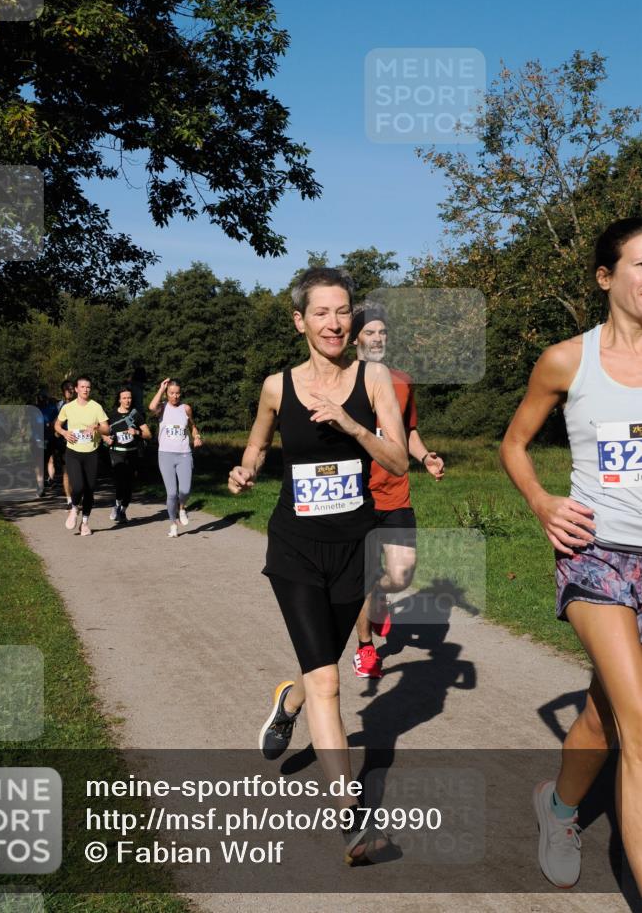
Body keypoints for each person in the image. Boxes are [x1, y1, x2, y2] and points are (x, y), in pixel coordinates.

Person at [228, 267, 408, 864]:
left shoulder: (373, 377)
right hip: (296, 549)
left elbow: (399, 461)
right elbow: (258, 443)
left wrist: (352, 424)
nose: (335, 323)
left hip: (354, 545)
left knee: (319, 665)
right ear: (299, 321)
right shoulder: (277, 386)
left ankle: (289, 702)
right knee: (328, 679)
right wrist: (246, 469)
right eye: (322, 313)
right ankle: (351, 821)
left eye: (343, 311)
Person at [500, 217, 642, 892]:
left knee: (604, 714)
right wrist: (541, 502)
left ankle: (557, 807)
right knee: (640, 726)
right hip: (597, 556)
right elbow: (513, 445)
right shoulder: (566, 360)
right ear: (605, 277)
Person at [349, 306, 445, 678]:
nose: (377, 339)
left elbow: (408, 432)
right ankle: (365, 648)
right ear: (355, 338)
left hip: (394, 493)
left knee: (402, 573)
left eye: (382, 332)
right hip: (355, 496)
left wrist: (425, 457)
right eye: (369, 332)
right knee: (362, 576)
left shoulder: (401, 382)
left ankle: (380, 597)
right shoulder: (342, 381)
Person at [54, 376, 110, 536]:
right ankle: (74, 508)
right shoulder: (68, 407)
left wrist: (97, 427)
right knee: (78, 486)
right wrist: (64, 432)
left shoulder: (96, 407)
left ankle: (84, 523)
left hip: (91, 453)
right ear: (76, 389)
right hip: (73, 452)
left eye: (88, 387)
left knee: (90, 489)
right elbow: (57, 425)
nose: (86, 389)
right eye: (83, 387)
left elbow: (107, 429)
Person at [149, 377, 203, 537]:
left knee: (185, 489)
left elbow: (192, 426)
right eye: (171, 393)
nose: (175, 396)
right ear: (167, 393)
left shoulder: (186, 408)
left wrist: (197, 436)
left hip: (184, 454)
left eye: (177, 393)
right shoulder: (162, 407)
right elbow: (151, 407)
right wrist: (161, 388)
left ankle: (182, 508)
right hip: (165, 454)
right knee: (171, 493)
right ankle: (173, 523)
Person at [103, 386, 151, 523]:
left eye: (129, 398)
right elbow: (103, 431)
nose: (127, 400)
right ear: (119, 400)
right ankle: (117, 505)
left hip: (132, 453)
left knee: (129, 485)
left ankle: (123, 511)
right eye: (124, 398)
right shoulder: (111, 416)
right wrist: (106, 438)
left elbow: (148, 434)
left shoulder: (136, 415)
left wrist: (137, 432)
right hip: (117, 453)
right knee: (120, 482)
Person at [54, 380, 76, 512]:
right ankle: (69, 500)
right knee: (67, 471)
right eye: (68, 389)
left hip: (79, 441)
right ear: (63, 391)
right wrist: (60, 432)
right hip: (64, 442)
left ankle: (77, 495)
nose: (70, 391)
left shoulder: (80, 404)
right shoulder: (59, 406)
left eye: (72, 388)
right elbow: (55, 424)